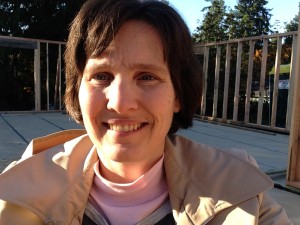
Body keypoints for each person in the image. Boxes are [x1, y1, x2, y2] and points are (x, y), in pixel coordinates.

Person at [0, 0, 292, 224]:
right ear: (77, 89)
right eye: (101, 76)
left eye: (147, 77)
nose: (120, 103)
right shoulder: (16, 190)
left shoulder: (244, 193)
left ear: (178, 94)